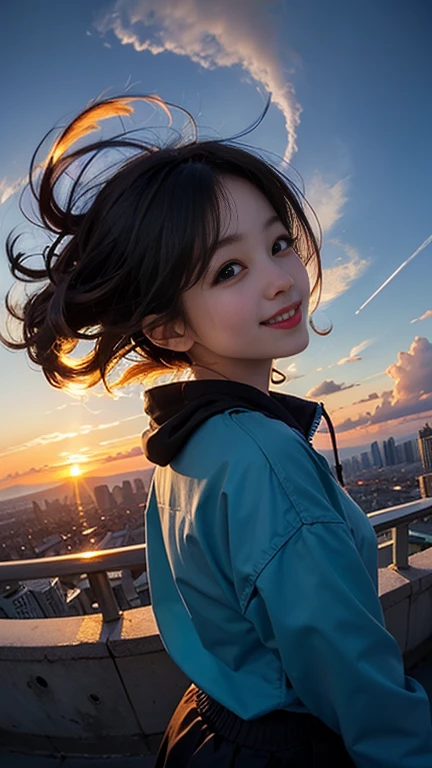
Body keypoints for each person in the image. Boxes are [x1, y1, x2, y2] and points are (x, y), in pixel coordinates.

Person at [2, 93, 432, 768]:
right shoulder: (263, 458)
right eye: (229, 269)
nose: (279, 280)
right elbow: (362, 693)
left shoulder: (188, 443)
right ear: (171, 327)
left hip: (208, 728)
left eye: (279, 243)